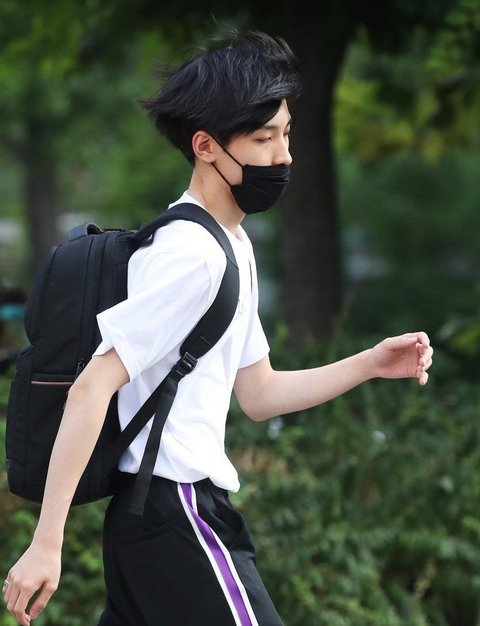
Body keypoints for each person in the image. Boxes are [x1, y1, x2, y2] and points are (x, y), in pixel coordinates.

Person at [2, 29, 433, 626]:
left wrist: (369, 364)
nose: (283, 155)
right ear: (205, 146)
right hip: (176, 509)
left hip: (160, 515)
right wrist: (47, 542)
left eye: (286, 133)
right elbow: (93, 386)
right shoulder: (193, 255)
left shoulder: (230, 244)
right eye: (263, 138)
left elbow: (259, 394)